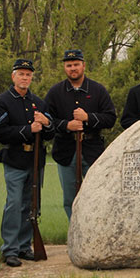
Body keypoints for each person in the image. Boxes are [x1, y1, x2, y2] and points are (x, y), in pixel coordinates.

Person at [0, 59, 54, 267]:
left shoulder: (38, 102)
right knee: (14, 204)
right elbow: (1, 133)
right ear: (13, 76)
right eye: (21, 74)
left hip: (35, 161)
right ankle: (9, 249)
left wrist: (46, 124)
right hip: (16, 159)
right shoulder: (3, 102)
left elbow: (51, 132)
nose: (25, 78)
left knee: (31, 205)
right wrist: (28, 130)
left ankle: (24, 246)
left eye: (28, 75)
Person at [45, 49, 117, 220]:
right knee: (70, 199)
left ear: (83, 65)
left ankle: (95, 234)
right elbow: (47, 121)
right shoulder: (55, 92)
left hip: (93, 152)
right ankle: (75, 234)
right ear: (64, 67)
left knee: (97, 197)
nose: (73, 68)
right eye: (69, 65)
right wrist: (67, 125)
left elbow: (110, 118)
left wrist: (88, 118)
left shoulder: (98, 90)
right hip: (66, 151)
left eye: (76, 64)